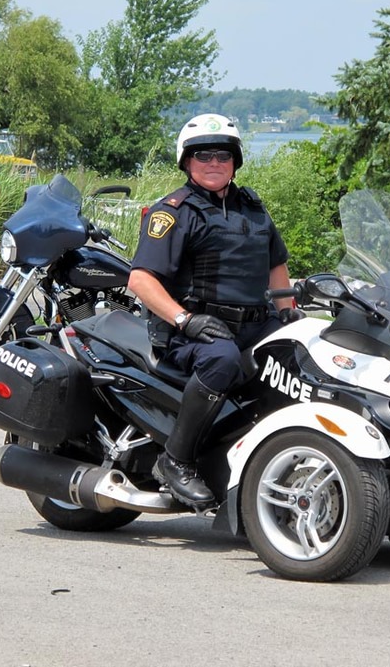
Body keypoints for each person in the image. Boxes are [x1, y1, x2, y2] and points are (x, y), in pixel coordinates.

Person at [128, 113, 304, 507]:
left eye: (222, 156)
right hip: (192, 331)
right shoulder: (174, 211)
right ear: (187, 161)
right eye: (203, 155)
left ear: (235, 161)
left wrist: (287, 311)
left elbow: (276, 265)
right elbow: (140, 280)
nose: (213, 163)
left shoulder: (254, 209)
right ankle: (176, 459)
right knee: (223, 361)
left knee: (308, 353)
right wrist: (184, 320)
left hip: (255, 323)